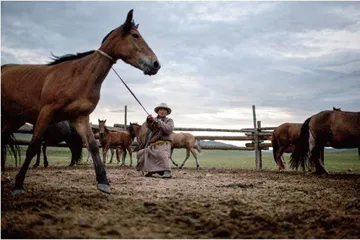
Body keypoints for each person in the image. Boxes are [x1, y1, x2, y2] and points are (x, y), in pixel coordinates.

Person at [136, 103, 174, 178]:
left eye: (164, 110)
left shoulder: (169, 120)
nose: (162, 111)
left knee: (161, 153)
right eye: (161, 110)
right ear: (158, 111)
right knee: (142, 153)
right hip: (153, 144)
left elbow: (168, 129)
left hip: (164, 144)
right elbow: (150, 127)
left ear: (166, 112)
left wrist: (158, 122)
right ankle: (151, 170)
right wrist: (149, 120)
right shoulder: (154, 120)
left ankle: (167, 171)